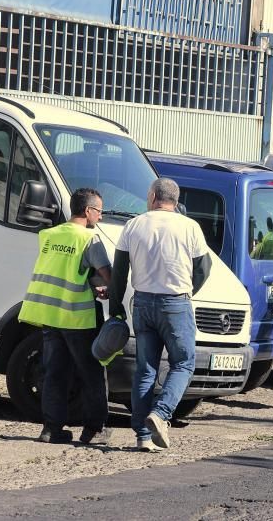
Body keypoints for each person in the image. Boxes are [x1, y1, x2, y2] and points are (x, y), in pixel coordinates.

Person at [109, 178, 212, 451]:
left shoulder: (134, 225)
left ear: (153, 196)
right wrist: (189, 290)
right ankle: (161, 413)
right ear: (175, 201)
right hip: (175, 303)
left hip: (142, 304)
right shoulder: (190, 227)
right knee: (183, 364)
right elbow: (203, 267)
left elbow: (119, 271)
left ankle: (143, 436)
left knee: (145, 370)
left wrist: (115, 305)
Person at [18, 188, 112, 445]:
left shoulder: (48, 235)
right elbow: (107, 274)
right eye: (100, 211)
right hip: (77, 317)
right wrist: (110, 292)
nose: (101, 217)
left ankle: (51, 429)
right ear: (88, 211)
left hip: (50, 315)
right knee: (92, 372)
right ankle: (95, 429)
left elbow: (65, 271)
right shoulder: (88, 239)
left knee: (55, 373)